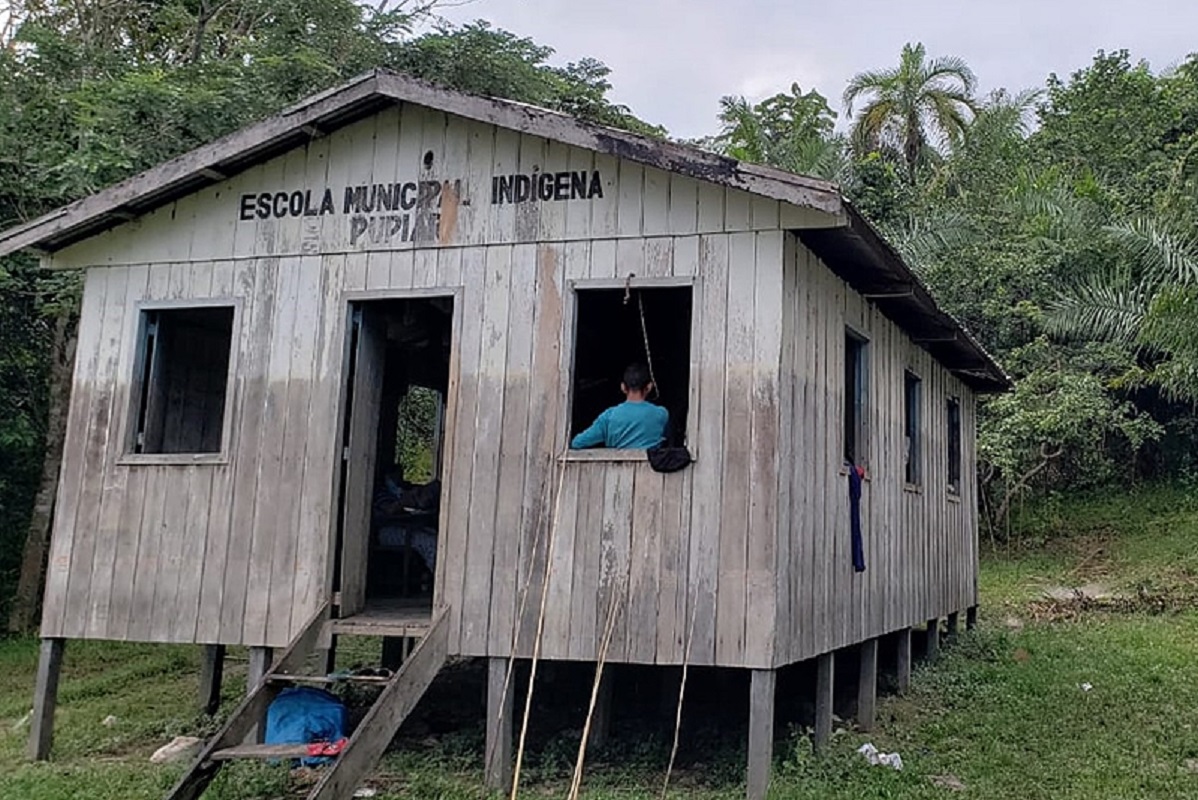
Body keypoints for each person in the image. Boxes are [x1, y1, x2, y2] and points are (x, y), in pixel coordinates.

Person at [570, 363, 669, 449]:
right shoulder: (661, 414)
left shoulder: (609, 416)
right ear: (649, 387)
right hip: (650, 470)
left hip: (616, 469)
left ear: (623, 387)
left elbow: (577, 443)